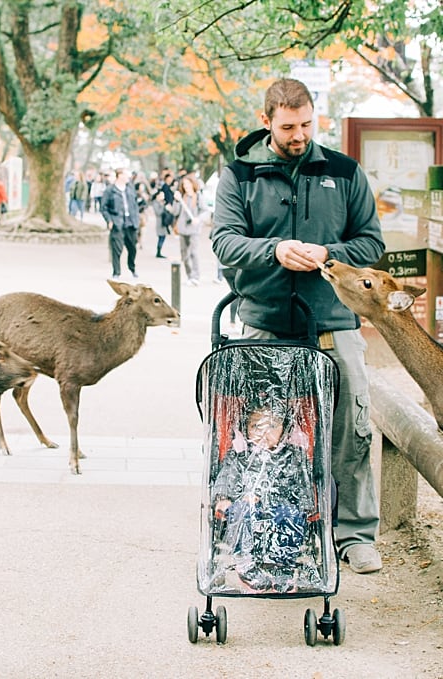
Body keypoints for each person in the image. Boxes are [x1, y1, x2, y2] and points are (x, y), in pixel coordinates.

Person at [211, 77, 386, 574]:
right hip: (265, 327)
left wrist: (330, 253)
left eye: (307, 124)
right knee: (265, 436)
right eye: (288, 126)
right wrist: (274, 251)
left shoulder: (345, 172)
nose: (299, 135)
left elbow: (372, 244)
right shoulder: (238, 175)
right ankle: (265, 528)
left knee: (349, 433)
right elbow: (224, 242)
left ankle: (354, 535)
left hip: (334, 324)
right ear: (266, 120)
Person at [212, 400, 318, 592]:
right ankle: (246, 563)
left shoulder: (294, 456)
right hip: (246, 505)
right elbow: (227, 476)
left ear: (285, 430)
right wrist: (224, 497)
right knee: (243, 512)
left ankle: (282, 566)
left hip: (281, 506)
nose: (263, 432)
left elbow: (302, 484)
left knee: (290, 516)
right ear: (245, 429)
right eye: (255, 426)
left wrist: (306, 503)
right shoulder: (240, 456)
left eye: (272, 426)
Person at [102, 168, 140, 279]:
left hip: (131, 223)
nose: (128, 176)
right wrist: (109, 220)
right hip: (117, 222)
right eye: (125, 174)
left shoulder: (130, 188)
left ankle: (132, 267)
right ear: (119, 175)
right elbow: (104, 208)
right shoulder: (110, 190)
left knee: (132, 247)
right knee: (117, 249)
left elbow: (135, 204)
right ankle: (116, 272)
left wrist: (136, 217)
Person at [173, 175, 206, 286]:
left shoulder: (198, 197)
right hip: (182, 229)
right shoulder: (182, 197)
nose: (186, 186)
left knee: (193, 253)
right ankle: (189, 276)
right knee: (184, 255)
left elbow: (205, 211)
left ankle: (196, 276)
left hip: (194, 230)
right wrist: (176, 201)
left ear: (193, 184)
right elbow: (175, 212)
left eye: (188, 184)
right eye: (184, 184)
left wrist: (198, 219)